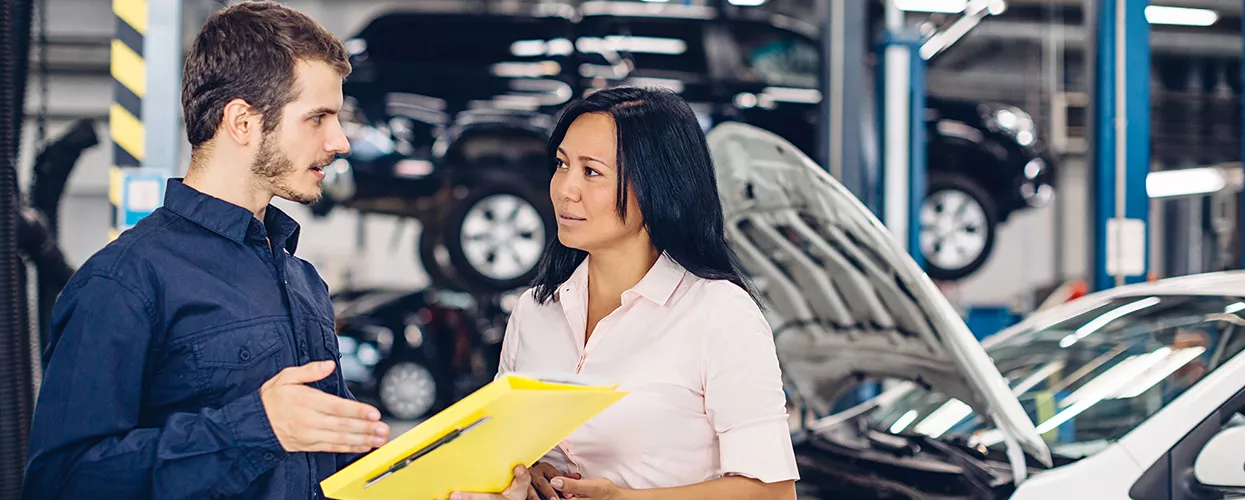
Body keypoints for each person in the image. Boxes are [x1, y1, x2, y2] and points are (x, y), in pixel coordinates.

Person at [21, 2, 532, 499]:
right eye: (318, 118)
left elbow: (336, 469)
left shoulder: (301, 280)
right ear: (242, 122)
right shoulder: (124, 281)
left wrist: (455, 484)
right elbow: (61, 480)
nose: (340, 141)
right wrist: (253, 428)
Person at [497, 87, 799, 500]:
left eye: (591, 172)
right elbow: (499, 451)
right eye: (561, 164)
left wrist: (626, 499)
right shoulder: (534, 311)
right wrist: (526, 472)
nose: (565, 188)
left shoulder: (720, 314)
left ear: (657, 186)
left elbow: (773, 492)